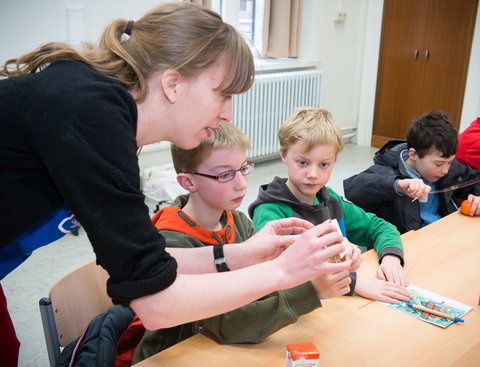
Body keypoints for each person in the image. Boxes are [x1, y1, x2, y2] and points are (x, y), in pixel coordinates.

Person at [0, 2, 350, 364]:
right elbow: (157, 304)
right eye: (223, 94)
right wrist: (283, 271)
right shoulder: (91, 115)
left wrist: (243, 253)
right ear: (173, 84)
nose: (228, 113)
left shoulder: (109, 115)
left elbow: (138, 259)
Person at [133, 121, 360, 362]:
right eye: (225, 174)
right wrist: (312, 291)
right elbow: (228, 324)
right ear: (188, 182)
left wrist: (321, 266)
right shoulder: (172, 241)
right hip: (172, 356)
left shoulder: (236, 220)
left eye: (243, 169)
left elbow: (261, 290)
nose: (241, 183)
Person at [248, 107, 412, 300]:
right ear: (284, 154)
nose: (313, 174)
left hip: (336, 301)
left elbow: (379, 227)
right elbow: (288, 271)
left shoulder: (329, 200)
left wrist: (391, 259)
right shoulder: (269, 211)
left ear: (334, 161)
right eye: (303, 163)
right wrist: (354, 281)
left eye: (324, 164)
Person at [344, 111, 480, 234]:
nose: (445, 170)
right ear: (413, 154)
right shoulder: (387, 170)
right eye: (438, 164)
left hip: (443, 235)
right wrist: (396, 185)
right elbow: (353, 189)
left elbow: (475, 180)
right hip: (407, 245)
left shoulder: (446, 166)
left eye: (450, 162)